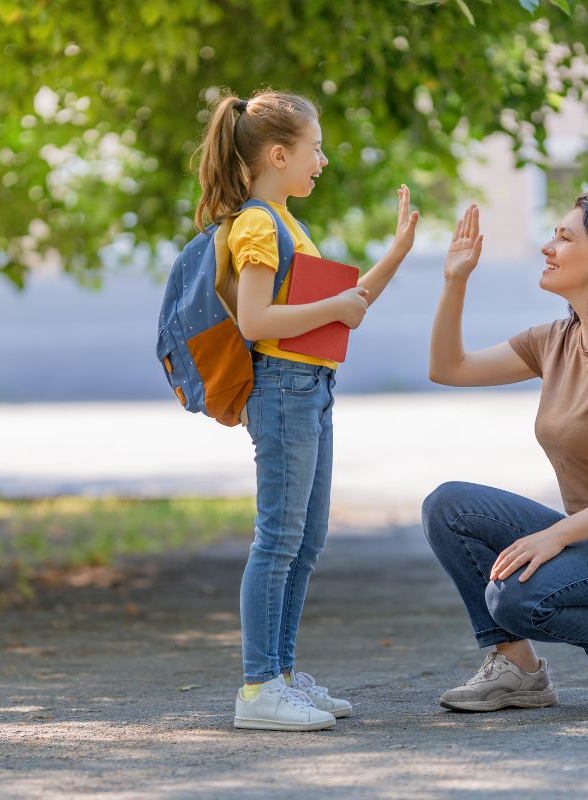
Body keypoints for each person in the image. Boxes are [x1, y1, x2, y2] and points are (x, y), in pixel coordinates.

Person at [194, 89, 418, 731]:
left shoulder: (289, 223)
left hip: (311, 389)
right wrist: (333, 310)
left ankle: (282, 674)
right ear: (279, 153)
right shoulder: (258, 224)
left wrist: (397, 252)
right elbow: (258, 320)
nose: (321, 161)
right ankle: (260, 690)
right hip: (284, 389)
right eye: (315, 150)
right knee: (278, 541)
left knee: (306, 540)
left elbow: (346, 303)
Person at [422, 192, 588, 713]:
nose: (548, 247)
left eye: (565, 238)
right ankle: (517, 670)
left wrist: (552, 537)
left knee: (515, 597)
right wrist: (455, 279)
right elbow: (448, 368)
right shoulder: (555, 340)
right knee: (448, 506)